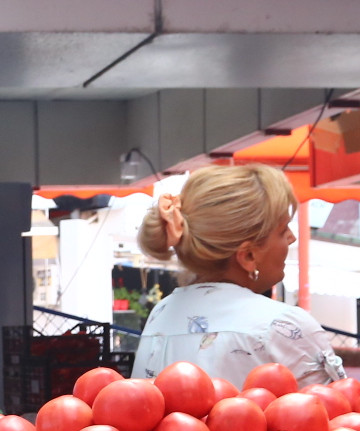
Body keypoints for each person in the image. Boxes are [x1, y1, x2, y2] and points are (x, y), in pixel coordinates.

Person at [131, 163, 346, 389]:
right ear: (249, 255)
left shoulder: (161, 313)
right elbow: (335, 411)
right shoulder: (281, 325)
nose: (291, 238)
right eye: (283, 230)